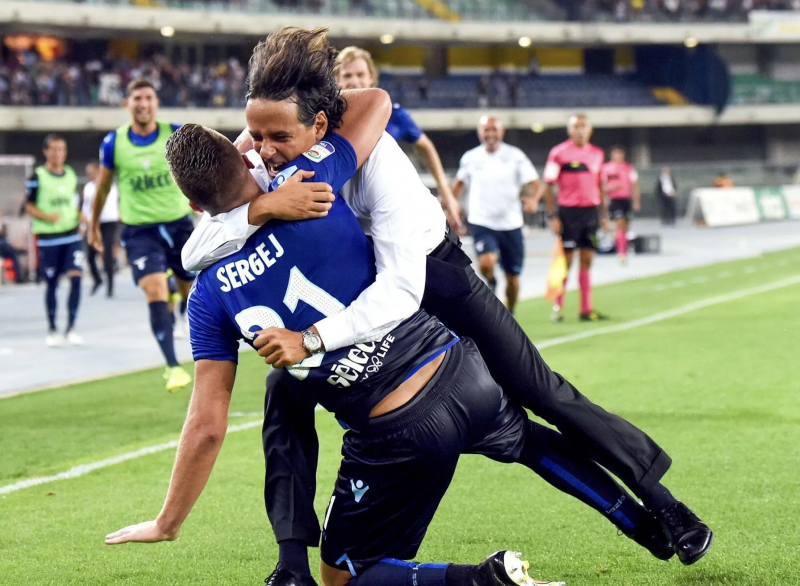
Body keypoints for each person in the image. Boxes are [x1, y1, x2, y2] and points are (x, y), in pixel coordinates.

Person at [182, 27, 712, 586]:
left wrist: (312, 338)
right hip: (368, 289)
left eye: (276, 137)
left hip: (434, 275)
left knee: (539, 393)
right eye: (256, 137)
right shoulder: (270, 149)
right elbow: (197, 248)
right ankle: (291, 561)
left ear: (321, 123)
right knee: (283, 391)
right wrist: (261, 208)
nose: (262, 150)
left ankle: (664, 505)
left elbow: (401, 288)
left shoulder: (375, 162)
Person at [107, 122, 654, 586]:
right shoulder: (311, 185)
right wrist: (264, 184)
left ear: (192, 205)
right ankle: (647, 523)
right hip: (458, 367)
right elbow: (374, 104)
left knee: (343, 576)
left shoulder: (207, 297)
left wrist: (168, 521)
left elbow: (207, 425)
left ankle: (483, 579)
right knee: (530, 439)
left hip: (396, 427)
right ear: (248, 159)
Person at [88, 78, 193, 392]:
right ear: (128, 104)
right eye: (137, 98)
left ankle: (176, 289)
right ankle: (173, 367)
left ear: (156, 103)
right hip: (139, 231)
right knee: (154, 290)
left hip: (179, 225)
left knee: (190, 292)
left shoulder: (175, 134)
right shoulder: (114, 143)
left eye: (148, 98)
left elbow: (198, 172)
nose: (143, 104)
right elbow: (103, 188)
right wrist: (93, 225)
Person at [335, 45, 463, 233]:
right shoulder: (327, 117)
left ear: (371, 77)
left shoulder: (393, 114)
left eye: (360, 74)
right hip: (343, 214)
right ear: (337, 80)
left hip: (385, 214)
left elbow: (425, 146)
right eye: (347, 75)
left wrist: (445, 191)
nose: (354, 81)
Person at [451, 116, 539, 313]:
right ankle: (491, 280)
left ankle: (511, 313)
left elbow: (535, 182)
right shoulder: (470, 157)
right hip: (482, 221)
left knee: (513, 277)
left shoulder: (515, 155)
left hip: (511, 223)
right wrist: (450, 206)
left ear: (502, 132)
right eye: (486, 130)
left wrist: (533, 199)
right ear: (479, 133)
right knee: (486, 262)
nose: (490, 134)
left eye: (494, 129)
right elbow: (458, 185)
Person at [537, 114, 608, 323]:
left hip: (591, 212)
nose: (580, 130)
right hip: (569, 213)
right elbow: (548, 185)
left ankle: (586, 309)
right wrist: (552, 216)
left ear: (590, 129)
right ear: (569, 130)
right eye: (576, 127)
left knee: (587, 260)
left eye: (583, 126)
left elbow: (600, 185)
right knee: (566, 261)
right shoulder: (558, 153)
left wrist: (604, 214)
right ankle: (558, 307)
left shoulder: (597, 153)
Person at [24, 134, 84, 346]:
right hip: (49, 239)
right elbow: (28, 206)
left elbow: (72, 204)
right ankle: (52, 329)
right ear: (46, 151)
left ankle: (71, 327)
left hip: (72, 235)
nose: (59, 154)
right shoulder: (37, 176)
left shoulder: (71, 175)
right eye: (54, 149)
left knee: (76, 278)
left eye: (62, 149)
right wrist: (47, 217)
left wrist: (82, 218)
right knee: (52, 283)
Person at [81, 162, 121, 297]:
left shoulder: (110, 186)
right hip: (94, 223)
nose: (90, 175)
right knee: (90, 255)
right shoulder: (88, 188)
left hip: (109, 222)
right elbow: (86, 208)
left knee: (107, 255)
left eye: (92, 172)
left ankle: (110, 286)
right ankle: (97, 279)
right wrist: (84, 226)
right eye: (88, 173)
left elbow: (117, 202)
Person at [600, 147, 640, 265]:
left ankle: (623, 248)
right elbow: (601, 186)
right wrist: (610, 188)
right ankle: (621, 252)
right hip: (614, 200)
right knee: (619, 223)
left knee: (625, 227)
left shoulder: (629, 168)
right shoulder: (606, 168)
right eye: (616, 155)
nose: (618, 157)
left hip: (626, 200)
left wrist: (636, 201)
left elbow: (634, 185)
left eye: (620, 155)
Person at [0, 209, 23, 283]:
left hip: (4, 246)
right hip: (2, 246)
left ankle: (18, 277)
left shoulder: (3, 223)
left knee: (14, 255)